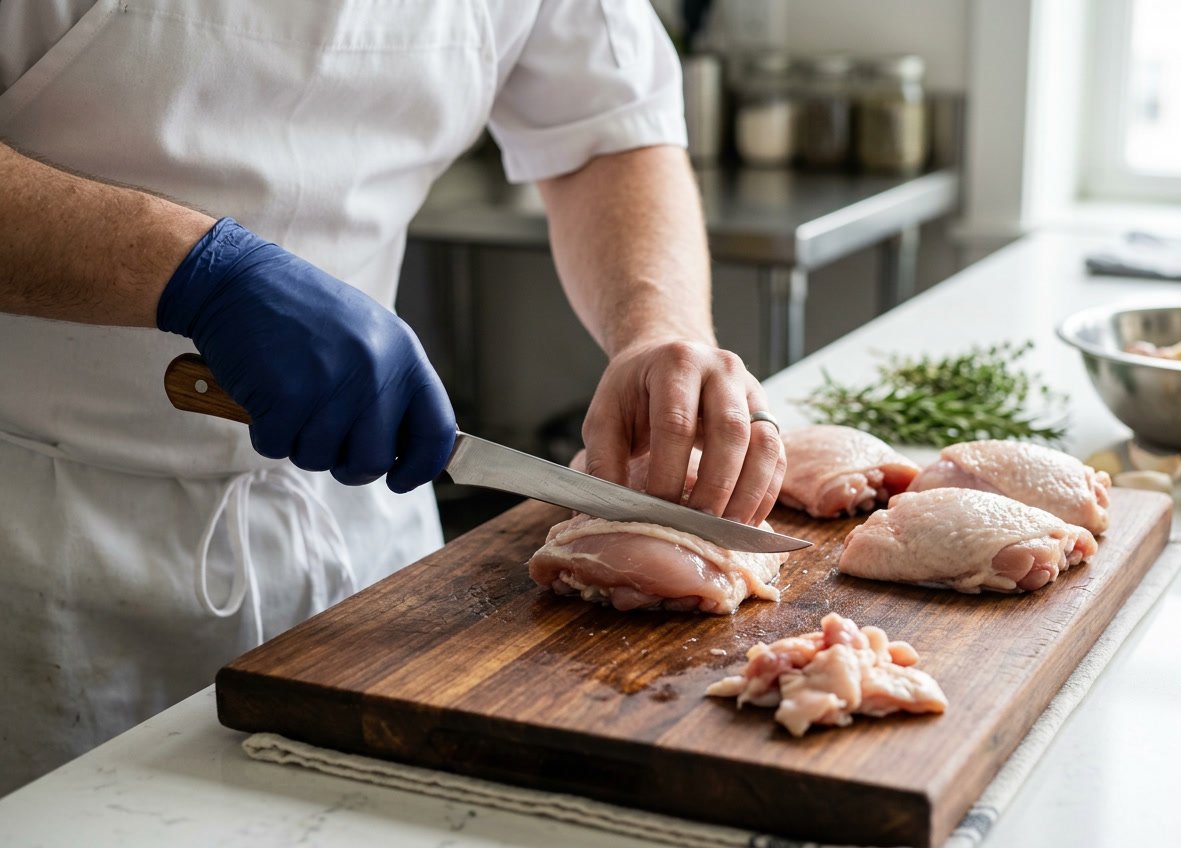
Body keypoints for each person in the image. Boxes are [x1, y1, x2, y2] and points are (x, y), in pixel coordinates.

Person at [0, 0, 786, 794]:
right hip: (44, 545)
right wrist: (197, 273)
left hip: (362, 539)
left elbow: (608, 133)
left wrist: (657, 328)